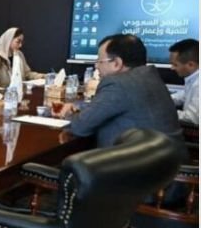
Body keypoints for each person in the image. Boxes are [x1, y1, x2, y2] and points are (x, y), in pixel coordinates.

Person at [54, 34, 182, 148]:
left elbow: (80, 127)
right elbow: (114, 106)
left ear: (116, 63)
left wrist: (68, 115)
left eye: (99, 61)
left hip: (137, 164)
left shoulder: (118, 83)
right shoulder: (149, 77)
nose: (96, 66)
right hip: (167, 159)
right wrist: (79, 107)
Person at [168, 38, 198, 126]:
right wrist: (163, 100)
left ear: (191, 65)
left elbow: (191, 118)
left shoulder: (198, 85)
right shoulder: (193, 78)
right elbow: (184, 95)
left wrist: (163, 112)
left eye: (175, 64)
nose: (172, 68)